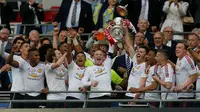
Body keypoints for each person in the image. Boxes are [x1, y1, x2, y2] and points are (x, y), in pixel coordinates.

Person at [173, 42, 198, 107]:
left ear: (185, 50)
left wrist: (183, 86)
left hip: (186, 96)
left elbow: (194, 76)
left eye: (179, 48)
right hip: (179, 95)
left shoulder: (187, 60)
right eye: (176, 48)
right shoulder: (178, 59)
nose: (177, 49)